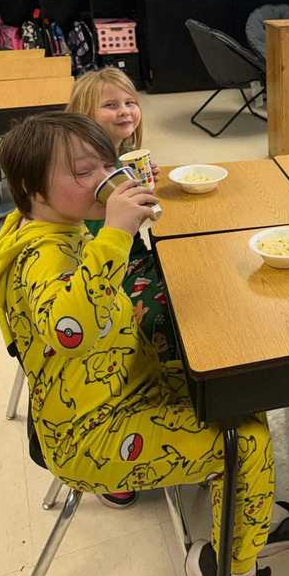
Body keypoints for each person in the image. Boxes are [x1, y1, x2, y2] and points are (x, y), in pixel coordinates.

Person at [0, 113, 289, 576]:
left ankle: (250, 521)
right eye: (82, 172)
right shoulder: (40, 257)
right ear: (31, 188)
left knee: (236, 387)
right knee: (243, 442)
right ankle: (230, 573)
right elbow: (69, 330)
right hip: (92, 435)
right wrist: (114, 234)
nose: (102, 179)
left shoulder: (47, 226)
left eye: (105, 165)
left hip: (122, 387)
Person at [67, 69, 177, 367]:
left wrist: (140, 184)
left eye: (130, 102)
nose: (125, 111)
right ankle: (168, 371)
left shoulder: (119, 158)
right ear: (84, 114)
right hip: (105, 270)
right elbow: (108, 230)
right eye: (111, 105)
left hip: (130, 254)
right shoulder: (85, 170)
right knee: (177, 311)